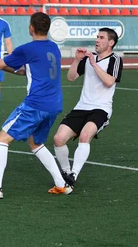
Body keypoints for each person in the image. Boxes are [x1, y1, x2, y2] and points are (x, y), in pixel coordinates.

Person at [0, 12, 73, 200]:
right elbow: (25, 71)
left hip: (36, 104)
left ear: (31, 28)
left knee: (1, 139)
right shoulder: (53, 47)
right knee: (35, 142)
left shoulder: (28, 48)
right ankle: (61, 185)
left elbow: (0, 62)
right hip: (53, 104)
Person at [53, 28, 123, 188]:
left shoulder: (115, 60)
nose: (97, 40)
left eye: (101, 37)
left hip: (101, 109)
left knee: (85, 136)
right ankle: (66, 172)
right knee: (58, 139)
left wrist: (94, 64)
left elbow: (109, 81)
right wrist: (77, 60)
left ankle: (74, 175)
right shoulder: (89, 58)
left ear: (111, 43)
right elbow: (71, 77)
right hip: (81, 107)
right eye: (97, 37)